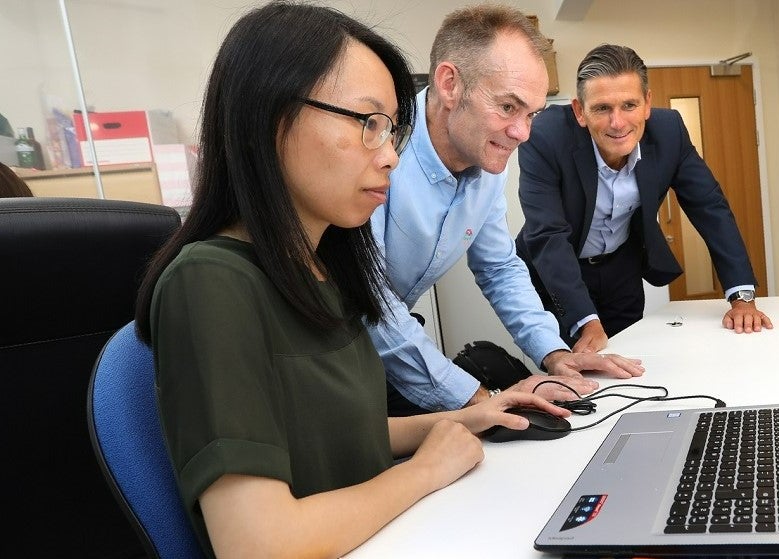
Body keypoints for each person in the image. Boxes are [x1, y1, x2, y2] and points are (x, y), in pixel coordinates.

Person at [133, 3, 568, 556]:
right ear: (274, 118)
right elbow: (256, 545)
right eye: (369, 124)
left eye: (391, 129)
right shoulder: (210, 284)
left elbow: (338, 429)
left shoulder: (323, 271)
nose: (390, 157)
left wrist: (466, 417)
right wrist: (423, 471)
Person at [368, 5, 644, 417]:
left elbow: (499, 267)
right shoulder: (380, 150)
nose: (522, 133)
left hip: (384, 341)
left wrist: (554, 353)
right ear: (450, 85)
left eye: (531, 114)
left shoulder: (486, 157)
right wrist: (481, 399)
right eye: (508, 107)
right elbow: (371, 300)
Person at [515, 44, 773, 353]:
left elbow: (710, 207)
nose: (618, 123)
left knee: (632, 359)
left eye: (629, 105)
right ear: (580, 111)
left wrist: (741, 297)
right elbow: (547, 234)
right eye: (602, 108)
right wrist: (586, 321)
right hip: (556, 272)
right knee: (574, 370)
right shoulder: (544, 136)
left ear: (647, 104)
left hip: (621, 268)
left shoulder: (669, 132)